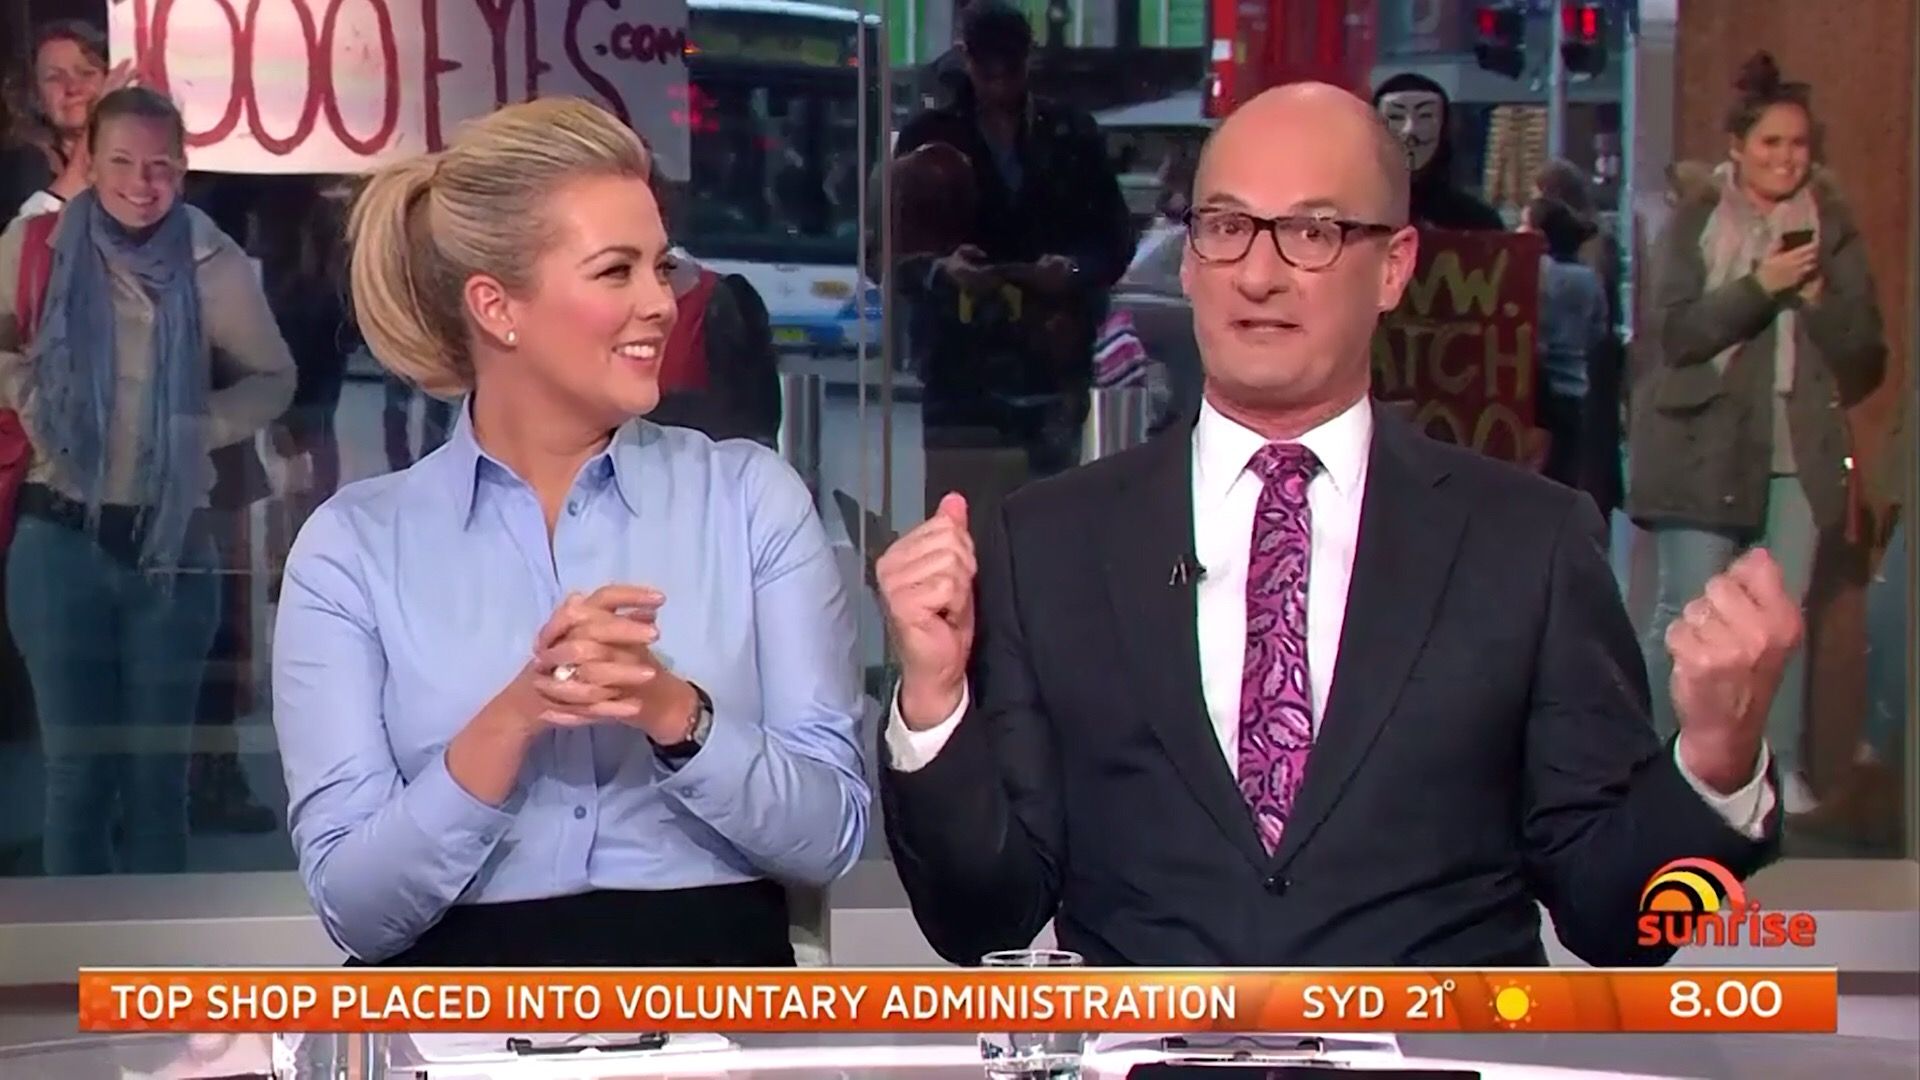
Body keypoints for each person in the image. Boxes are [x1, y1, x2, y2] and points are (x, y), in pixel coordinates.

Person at [875, 83, 1798, 968]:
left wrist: (1715, 762)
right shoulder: (1050, 542)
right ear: (1189, 259)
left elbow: (1616, 918)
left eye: (1312, 233)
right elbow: (981, 918)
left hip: (1441, 1049)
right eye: (1227, 227)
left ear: (1393, 267)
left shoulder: (1529, 542)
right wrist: (933, 701)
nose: (1259, 275)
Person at [270, 97, 866, 967]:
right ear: (496, 307)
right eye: (616, 272)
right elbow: (354, 910)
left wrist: (676, 713)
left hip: (713, 1001)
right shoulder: (352, 550)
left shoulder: (749, 501)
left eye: (662, 268)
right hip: (456, 1010)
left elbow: (831, 835)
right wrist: (512, 721)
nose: (662, 304)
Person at [0, 87, 296, 875]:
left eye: (161, 165)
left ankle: (152, 958)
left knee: (158, 783)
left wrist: (198, 426)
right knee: (76, 779)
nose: (142, 183)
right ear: (91, 162)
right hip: (59, 536)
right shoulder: (35, 245)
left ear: (184, 168)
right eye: (123, 162)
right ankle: (80, 956)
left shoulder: (210, 260)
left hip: (172, 547)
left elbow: (275, 378)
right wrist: (34, 398)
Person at [1629, 53, 1886, 817]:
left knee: (1781, 623)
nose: (1786, 158)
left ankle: (1778, 771)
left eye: (1798, 144)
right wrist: (1757, 289)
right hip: (1699, 446)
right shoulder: (1697, 221)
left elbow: (1865, 349)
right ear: (1737, 147)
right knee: (1688, 616)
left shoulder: (1830, 231)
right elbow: (1676, 335)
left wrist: (1815, 299)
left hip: (1794, 453)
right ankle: (1661, 764)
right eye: (1771, 142)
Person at [891, 0, 1133, 514]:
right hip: (960, 375)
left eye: (1011, 66)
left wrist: (1069, 272)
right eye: (987, 68)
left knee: (1051, 520)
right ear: (966, 60)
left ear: (1029, 60)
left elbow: (1114, 241)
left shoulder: (1072, 135)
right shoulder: (929, 138)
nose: (999, 80)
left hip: (1051, 363)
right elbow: (891, 254)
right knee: (963, 524)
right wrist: (944, 271)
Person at [1520, 197, 1608, 495]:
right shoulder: (1589, 279)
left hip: (1538, 392)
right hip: (1576, 389)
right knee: (1567, 479)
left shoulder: (1538, 272)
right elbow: (1598, 331)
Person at [1, 21, 128, 225]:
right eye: (54, 78)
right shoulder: (18, 169)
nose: (73, 88)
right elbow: (30, 234)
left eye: (87, 73)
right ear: (36, 97)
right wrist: (100, 121)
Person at [1372, 73, 1504, 232]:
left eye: (1425, 116)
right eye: (1395, 117)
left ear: (1444, 127)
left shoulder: (1477, 220)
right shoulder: (1351, 213)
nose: (1410, 130)